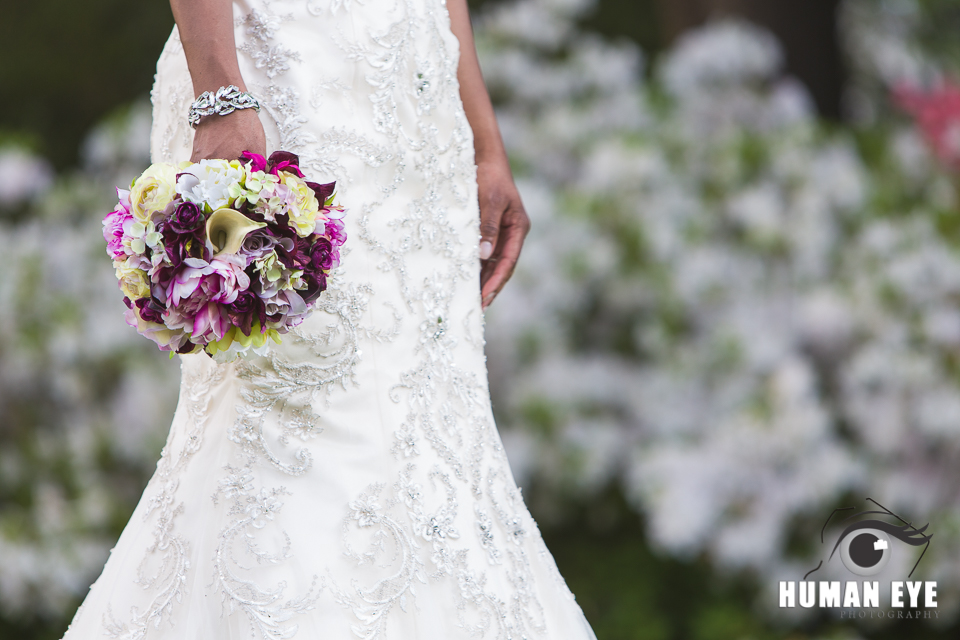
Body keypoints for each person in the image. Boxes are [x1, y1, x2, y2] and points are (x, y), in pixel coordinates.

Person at [62, 0, 597, 638]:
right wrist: (220, 95)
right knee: (295, 418)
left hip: (419, 99)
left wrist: (485, 141)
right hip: (284, 79)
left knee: (432, 431)